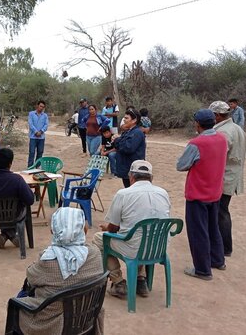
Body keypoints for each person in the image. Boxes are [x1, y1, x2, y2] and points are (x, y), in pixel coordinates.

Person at [15, 207, 104, 335]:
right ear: (83, 229)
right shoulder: (94, 254)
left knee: (17, 301)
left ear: (54, 230)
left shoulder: (48, 261)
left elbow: (31, 277)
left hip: (53, 322)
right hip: (85, 318)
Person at [92, 160, 170, 298]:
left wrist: (106, 228)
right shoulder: (163, 193)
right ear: (151, 178)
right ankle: (141, 279)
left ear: (131, 177)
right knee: (143, 235)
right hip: (158, 247)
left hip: (134, 248)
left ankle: (118, 282)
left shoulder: (124, 194)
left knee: (100, 239)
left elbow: (113, 228)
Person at [176, 109, 227, 281]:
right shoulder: (222, 139)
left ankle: (203, 269)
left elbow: (181, 165)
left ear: (198, 124)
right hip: (215, 191)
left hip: (198, 193)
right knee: (214, 228)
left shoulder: (196, 143)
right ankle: (218, 260)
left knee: (198, 232)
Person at [211, 100, 246, 257]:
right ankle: (224, 245)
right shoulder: (237, 128)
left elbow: (218, 157)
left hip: (225, 177)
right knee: (222, 211)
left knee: (221, 212)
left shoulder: (224, 132)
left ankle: (225, 247)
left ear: (217, 116)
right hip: (232, 176)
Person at [113, 108, 146, 188]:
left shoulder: (137, 133)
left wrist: (117, 140)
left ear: (134, 120)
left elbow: (128, 148)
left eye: (126, 118)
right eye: (124, 118)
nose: (124, 120)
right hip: (126, 169)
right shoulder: (128, 132)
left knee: (133, 192)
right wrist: (117, 141)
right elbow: (118, 146)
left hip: (133, 170)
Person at [27, 100, 49, 167]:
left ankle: (37, 168)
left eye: (43, 107)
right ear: (37, 106)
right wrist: (36, 132)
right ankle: (30, 168)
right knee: (32, 152)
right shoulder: (31, 114)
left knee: (40, 153)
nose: (41, 108)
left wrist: (41, 131)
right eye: (40, 106)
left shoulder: (45, 115)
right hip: (33, 137)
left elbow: (46, 125)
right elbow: (30, 124)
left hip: (41, 137)